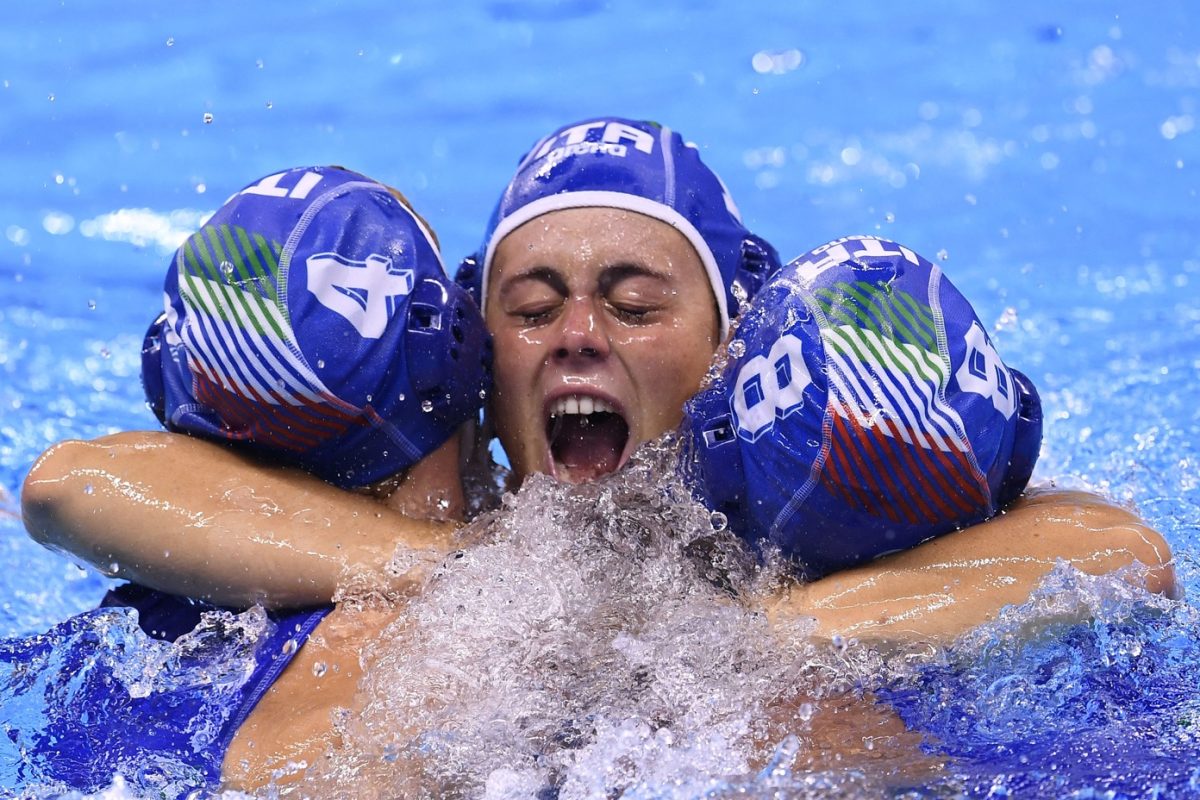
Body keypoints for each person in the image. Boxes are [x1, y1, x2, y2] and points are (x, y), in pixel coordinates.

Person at [24, 119, 1175, 646]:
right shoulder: (452, 528)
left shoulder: (813, 507)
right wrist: (439, 568)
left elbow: (1124, 551)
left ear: (735, 353)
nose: (577, 334)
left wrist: (767, 632)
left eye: (632, 305)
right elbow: (72, 486)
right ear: (476, 359)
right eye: (531, 309)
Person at [20, 165, 490, 796]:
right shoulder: (427, 667)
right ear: (455, 372)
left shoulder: (141, 609)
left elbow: (59, 484)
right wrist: (465, 560)